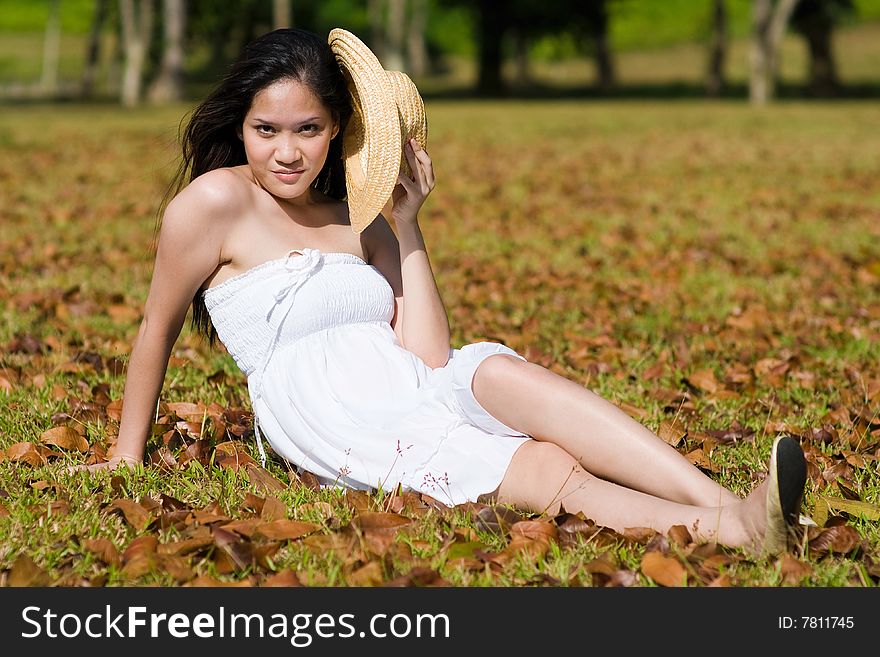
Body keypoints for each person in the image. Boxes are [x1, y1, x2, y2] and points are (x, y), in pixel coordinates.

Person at [71, 27, 807, 557]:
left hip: (401, 380)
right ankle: (735, 530)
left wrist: (408, 224)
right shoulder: (212, 205)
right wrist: (127, 451)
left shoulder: (359, 218)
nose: (286, 150)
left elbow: (427, 356)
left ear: (337, 132)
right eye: (266, 129)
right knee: (539, 467)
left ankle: (723, 500)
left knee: (494, 368)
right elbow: (154, 328)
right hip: (331, 408)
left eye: (308, 128)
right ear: (242, 123)